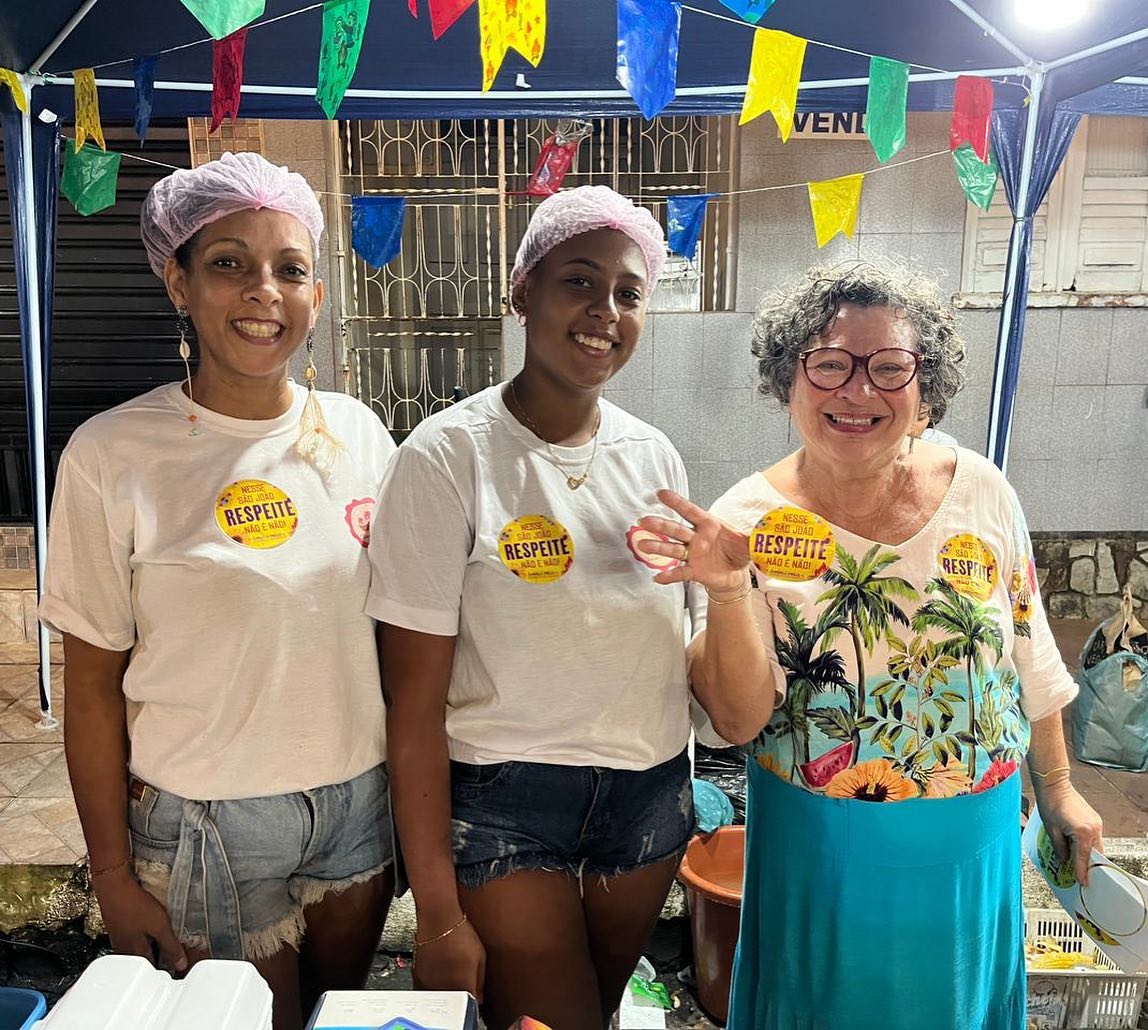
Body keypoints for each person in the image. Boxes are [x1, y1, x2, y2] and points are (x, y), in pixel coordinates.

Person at [637, 260, 1103, 1030]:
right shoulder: (744, 521)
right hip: (820, 850)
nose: (858, 391)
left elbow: (1029, 653)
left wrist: (1056, 788)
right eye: (828, 365)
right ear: (789, 380)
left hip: (970, 845)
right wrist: (725, 591)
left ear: (928, 389)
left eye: (890, 368)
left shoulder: (983, 490)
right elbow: (737, 720)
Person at [40, 152, 397, 1030]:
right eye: (229, 263)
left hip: (358, 804)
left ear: (317, 294)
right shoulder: (113, 453)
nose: (263, 292)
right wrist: (115, 878)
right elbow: (88, 687)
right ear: (179, 282)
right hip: (205, 820)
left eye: (290, 269)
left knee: (336, 1016)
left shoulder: (360, 435)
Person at [368, 186, 704, 1030]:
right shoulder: (447, 457)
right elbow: (412, 705)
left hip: (649, 797)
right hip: (507, 801)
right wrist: (439, 913)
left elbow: (680, 629)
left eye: (628, 293)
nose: (605, 312)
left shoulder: (651, 453)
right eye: (579, 283)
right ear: (522, 290)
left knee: (598, 1003)